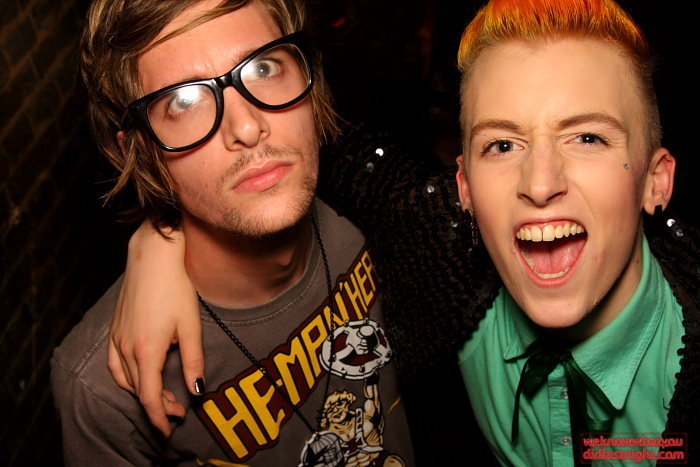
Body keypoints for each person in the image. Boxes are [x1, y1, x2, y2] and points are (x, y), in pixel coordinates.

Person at [110, 0, 700, 465]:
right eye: (502, 144)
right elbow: (286, 151)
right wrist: (161, 232)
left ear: (656, 179)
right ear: (463, 186)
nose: (540, 183)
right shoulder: (439, 246)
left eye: (588, 138)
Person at [50, 0, 415, 465]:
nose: (247, 126)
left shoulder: (369, 204)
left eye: (264, 67)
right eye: (183, 101)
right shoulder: (103, 393)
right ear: (140, 153)